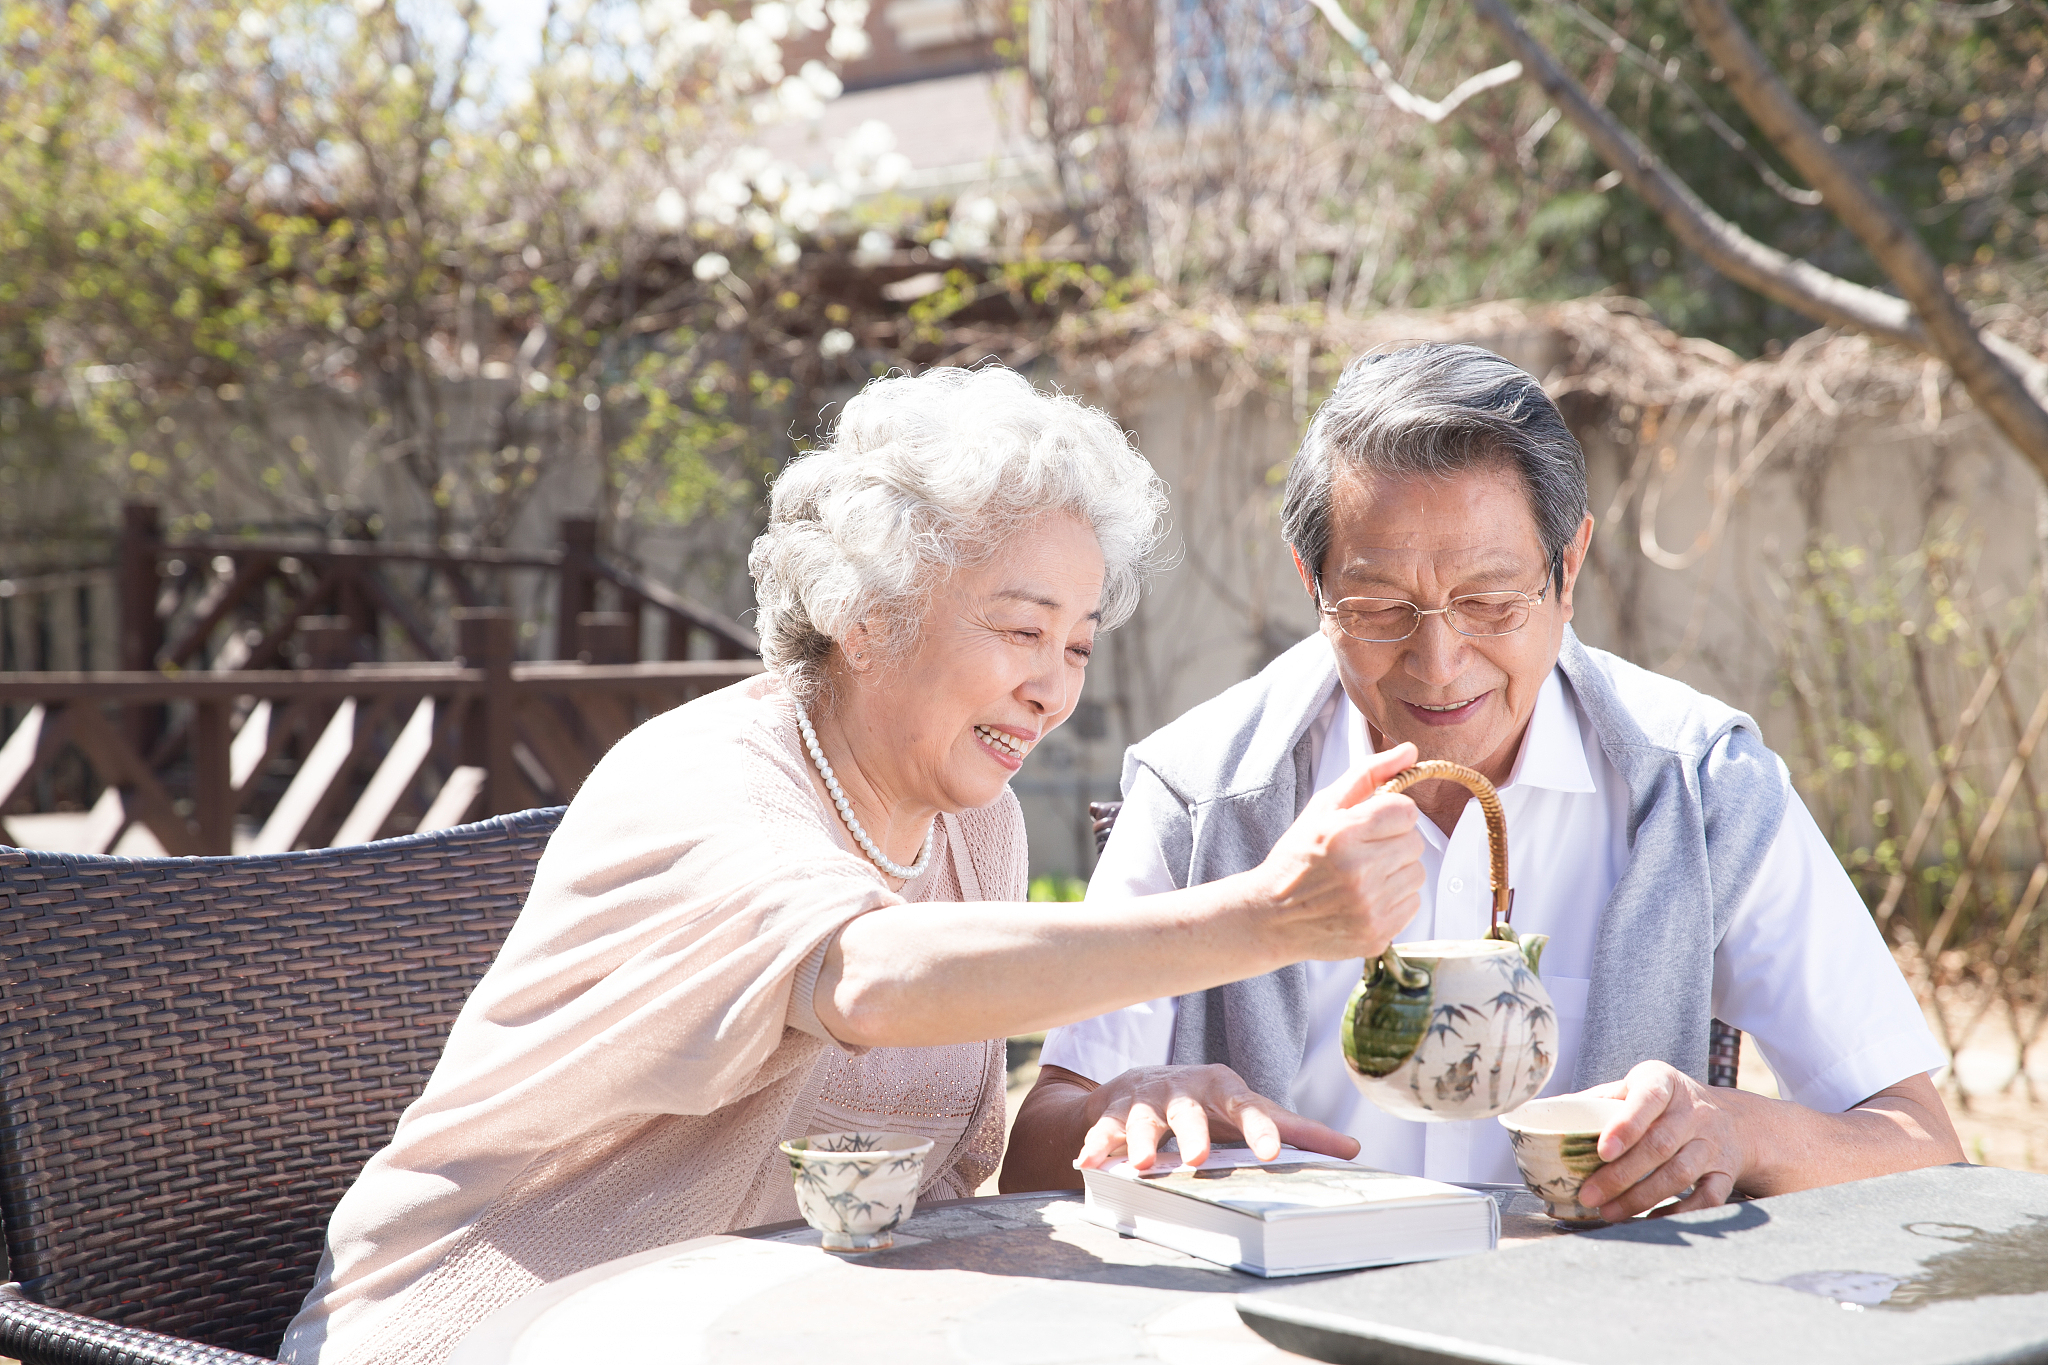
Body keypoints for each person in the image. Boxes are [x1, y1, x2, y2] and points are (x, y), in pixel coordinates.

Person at [279, 364, 1429, 1365]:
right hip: (495, 1334)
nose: (1053, 685)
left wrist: (1123, 1109)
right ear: (863, 613)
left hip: (767, 1333)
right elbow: (872, 981)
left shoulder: (974, 823)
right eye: (1021, 631)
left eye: (1076, 643)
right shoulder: (704, 784)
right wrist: (1271, 917)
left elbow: (944, 1192)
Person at [1003, 343, 1963, 1218]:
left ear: (1570, 565)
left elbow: (1918, 1141)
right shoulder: (1203, 789)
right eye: (1379, 608)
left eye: (1490, 601)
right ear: (1312, 584)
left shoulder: (1700, 787)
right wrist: (1134, 1104)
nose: (1438, 662)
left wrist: (1737, 1131)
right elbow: (1041, 1146)